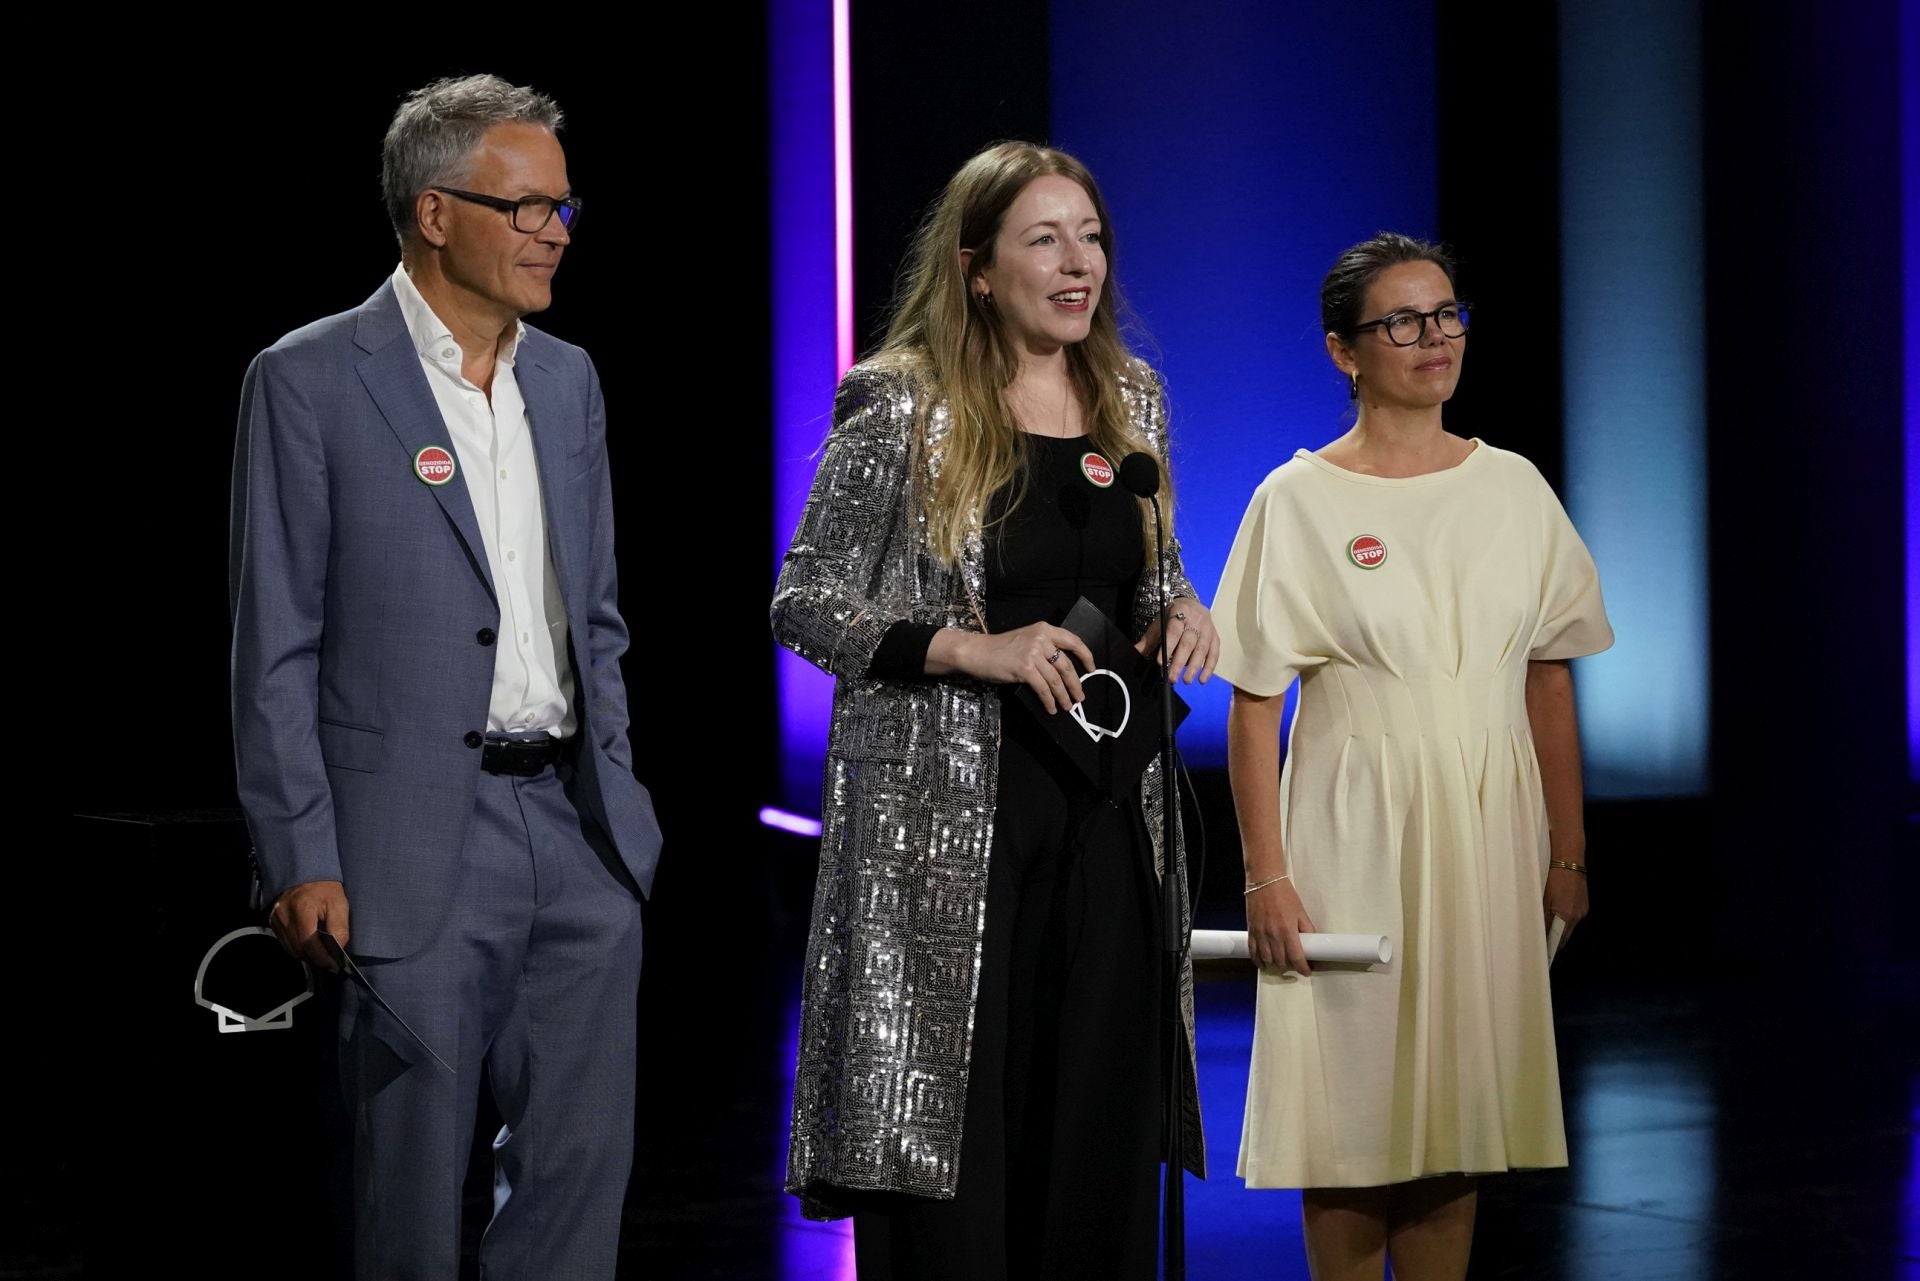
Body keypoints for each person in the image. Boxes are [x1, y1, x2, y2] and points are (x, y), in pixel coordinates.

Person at [229, 73, 661, 1280]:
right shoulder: (310, 378)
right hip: (405, 843)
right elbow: (275, 643)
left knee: (580, 1177)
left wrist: (621, 805)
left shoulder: (569, 381)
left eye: (565, 211)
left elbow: (602, 618)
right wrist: (300, 849)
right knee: (409, 1189)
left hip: (574, 831)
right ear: (434, 212)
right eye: (524, 210)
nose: (553, 236)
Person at [771, 141, 1213, 1281]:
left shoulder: (1134, 398)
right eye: (1045, 240)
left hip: (1108, 814)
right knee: (956, 1150)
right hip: (945, 828)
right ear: (977, 268)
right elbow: (805, 600)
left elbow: (1148, 577)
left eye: (1093, 238)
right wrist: (973, 647)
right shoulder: (900, 400)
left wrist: (1185, 610)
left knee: (1095, 1128)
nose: (1081, 265)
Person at [1211, 233, 1612, 1281]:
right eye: (1403, 321)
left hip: (1489, 828)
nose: (1434, 339)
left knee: (1456, 1121)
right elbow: (1256, 707)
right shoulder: (1295, 500)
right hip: (1350, 827)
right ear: (1345, 350)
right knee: (1350, 1114)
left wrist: (1567, 853)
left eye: (1447, 315)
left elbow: (1548, 674)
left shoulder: (1514, 487)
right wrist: (1267, 874)